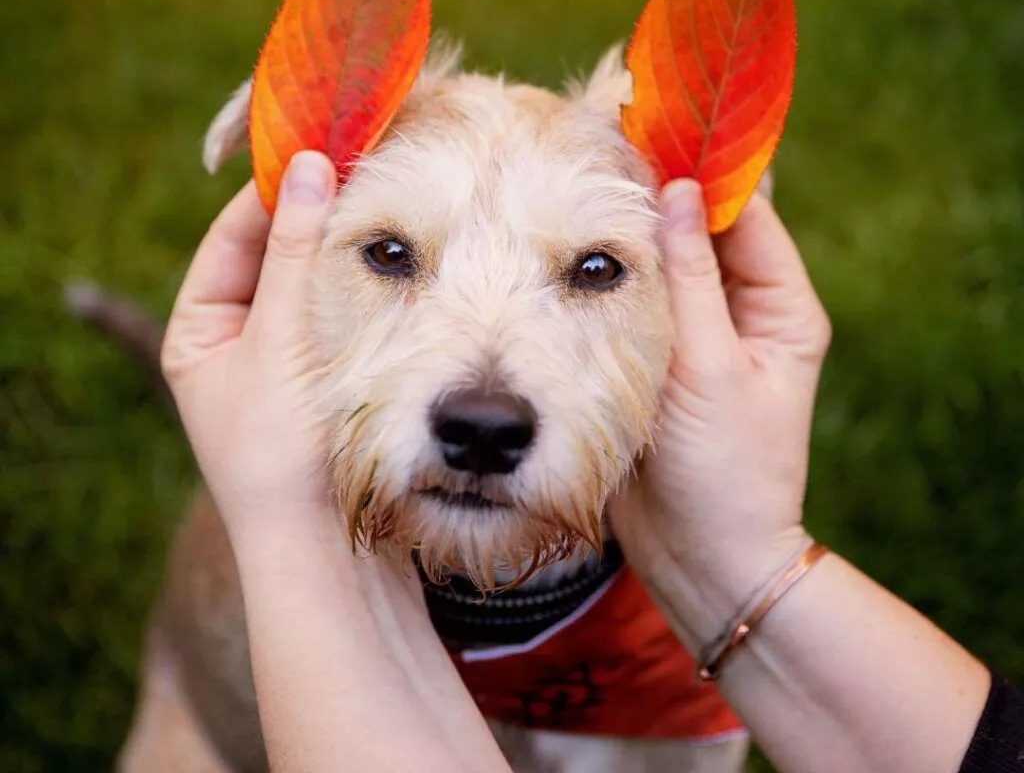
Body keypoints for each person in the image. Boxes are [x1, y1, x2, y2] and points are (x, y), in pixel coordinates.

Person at [161, 150, 1021, 773]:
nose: (485, 405)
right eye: (391, 255)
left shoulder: (676, 695)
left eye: (595, 271)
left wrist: (286, 532)